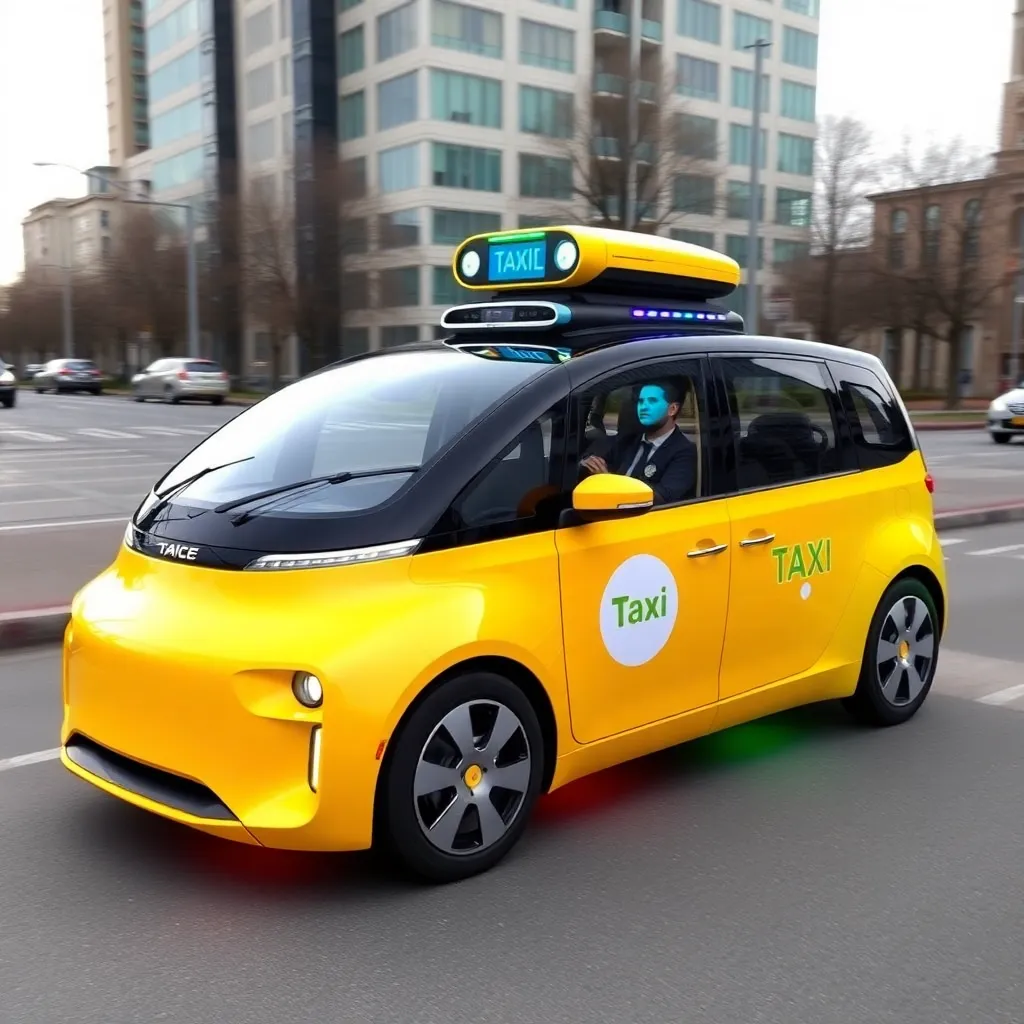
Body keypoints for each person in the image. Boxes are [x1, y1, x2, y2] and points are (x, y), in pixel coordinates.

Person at [580, 381, 697, 505]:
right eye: (641, 401)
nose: (644, 407)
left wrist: (608, 481)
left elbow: (660, 499)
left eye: (652, 401)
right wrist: (589, 463)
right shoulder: (629, 439)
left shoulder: (684, 451)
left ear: (672, 409)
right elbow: (593, 459)